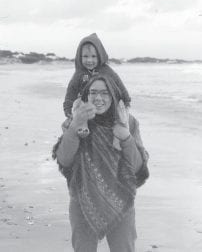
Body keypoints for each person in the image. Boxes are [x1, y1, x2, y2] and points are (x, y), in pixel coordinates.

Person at [53, 75, 149, 252]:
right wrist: (75, 125)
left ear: (113, 96)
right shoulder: (75, 120)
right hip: (82, 199)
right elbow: (64, 159)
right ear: (86, 96)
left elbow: (138, 169)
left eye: (105, 93)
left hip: (121, 199)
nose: (98, 98)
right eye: (93, 92)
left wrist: (126, 137)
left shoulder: (128, 121)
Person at [63, 33, 131, 118]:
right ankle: (83, 127)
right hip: (88, 111)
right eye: (85, 56)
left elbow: (119, 85)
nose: (89, 60)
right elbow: (71, 92)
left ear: (100, 56)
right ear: (80, 57)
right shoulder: (79, 74)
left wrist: (126, 101)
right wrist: (68, 110)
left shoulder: (107, 71)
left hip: (105, 107)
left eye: (93, 56)